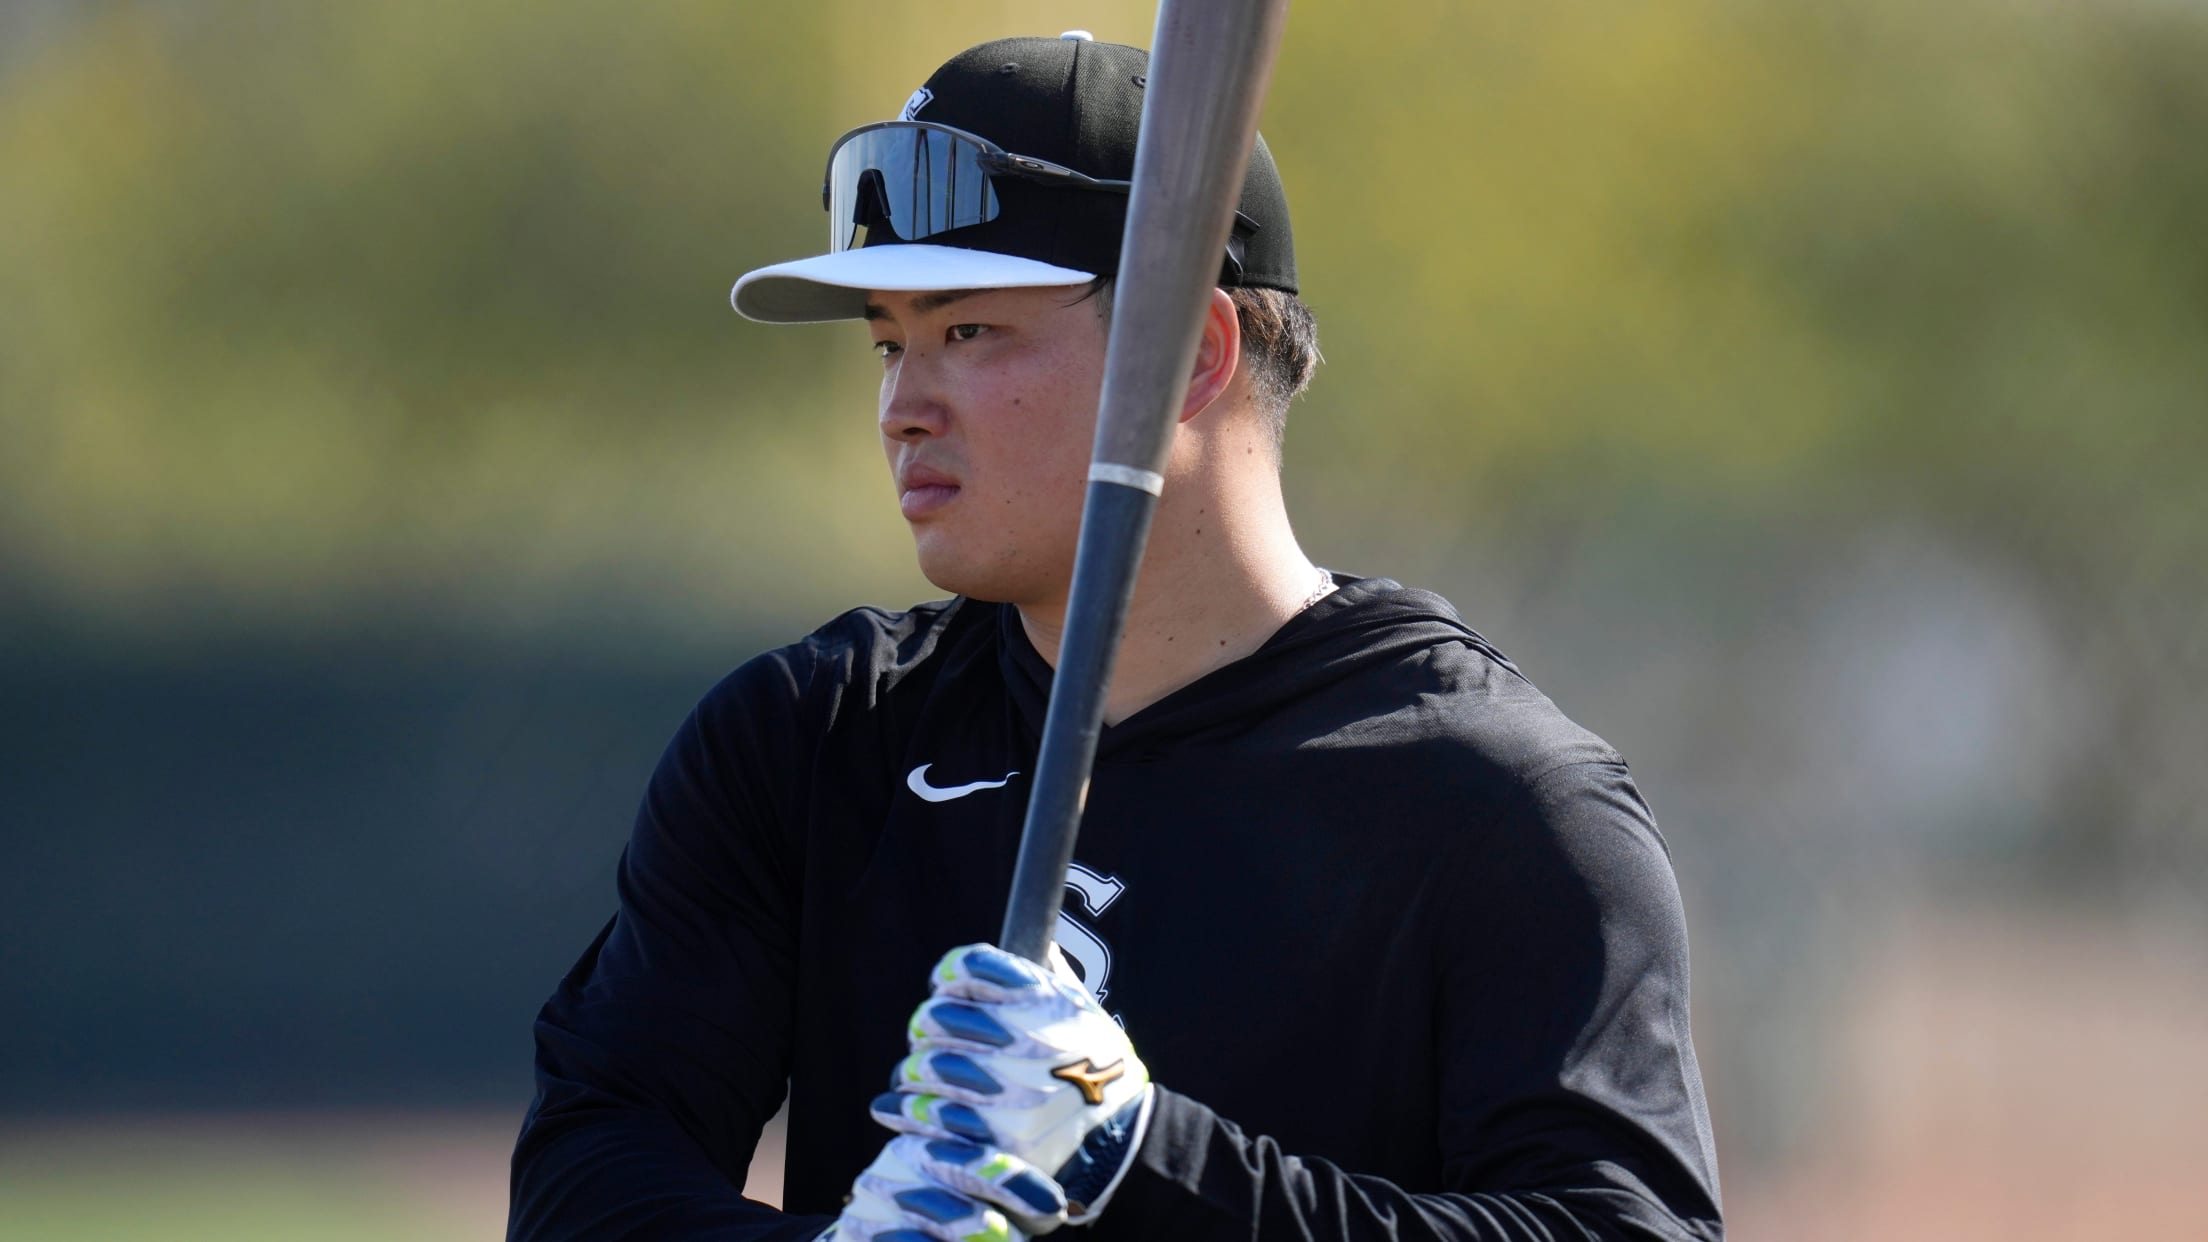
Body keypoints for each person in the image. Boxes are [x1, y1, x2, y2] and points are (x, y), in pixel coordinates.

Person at [510, 31, 1723, 1242]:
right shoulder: (813, 741)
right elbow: (591, 1164)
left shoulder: (1500, 802)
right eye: (889, 342)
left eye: (967, 333)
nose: (899, 407)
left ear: (1187, 356)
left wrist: (1144, 1156)